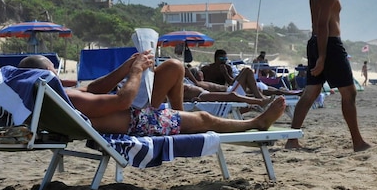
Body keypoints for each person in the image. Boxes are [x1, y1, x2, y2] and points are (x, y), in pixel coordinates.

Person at [18, 53, 286, 136]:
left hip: (137, 115)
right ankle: (256, 123)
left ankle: (178, 114)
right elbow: (121, 100)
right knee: (204, 119)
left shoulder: (59, 95)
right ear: (48, 72)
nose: (56, 70)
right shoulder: (69, 98)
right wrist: (136, 72)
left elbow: (96, 89)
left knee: (172, 66)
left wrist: (126, 66)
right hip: (139, 122)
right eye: (53, 67)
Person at [285, 0, 370, 152]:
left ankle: (292, 139)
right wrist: (323, 57)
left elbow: (318, 25)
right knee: (349, 92)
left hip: (315, 43)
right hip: (329, 45)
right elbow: (323, 25)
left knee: (310, 93)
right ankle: (358, 142)